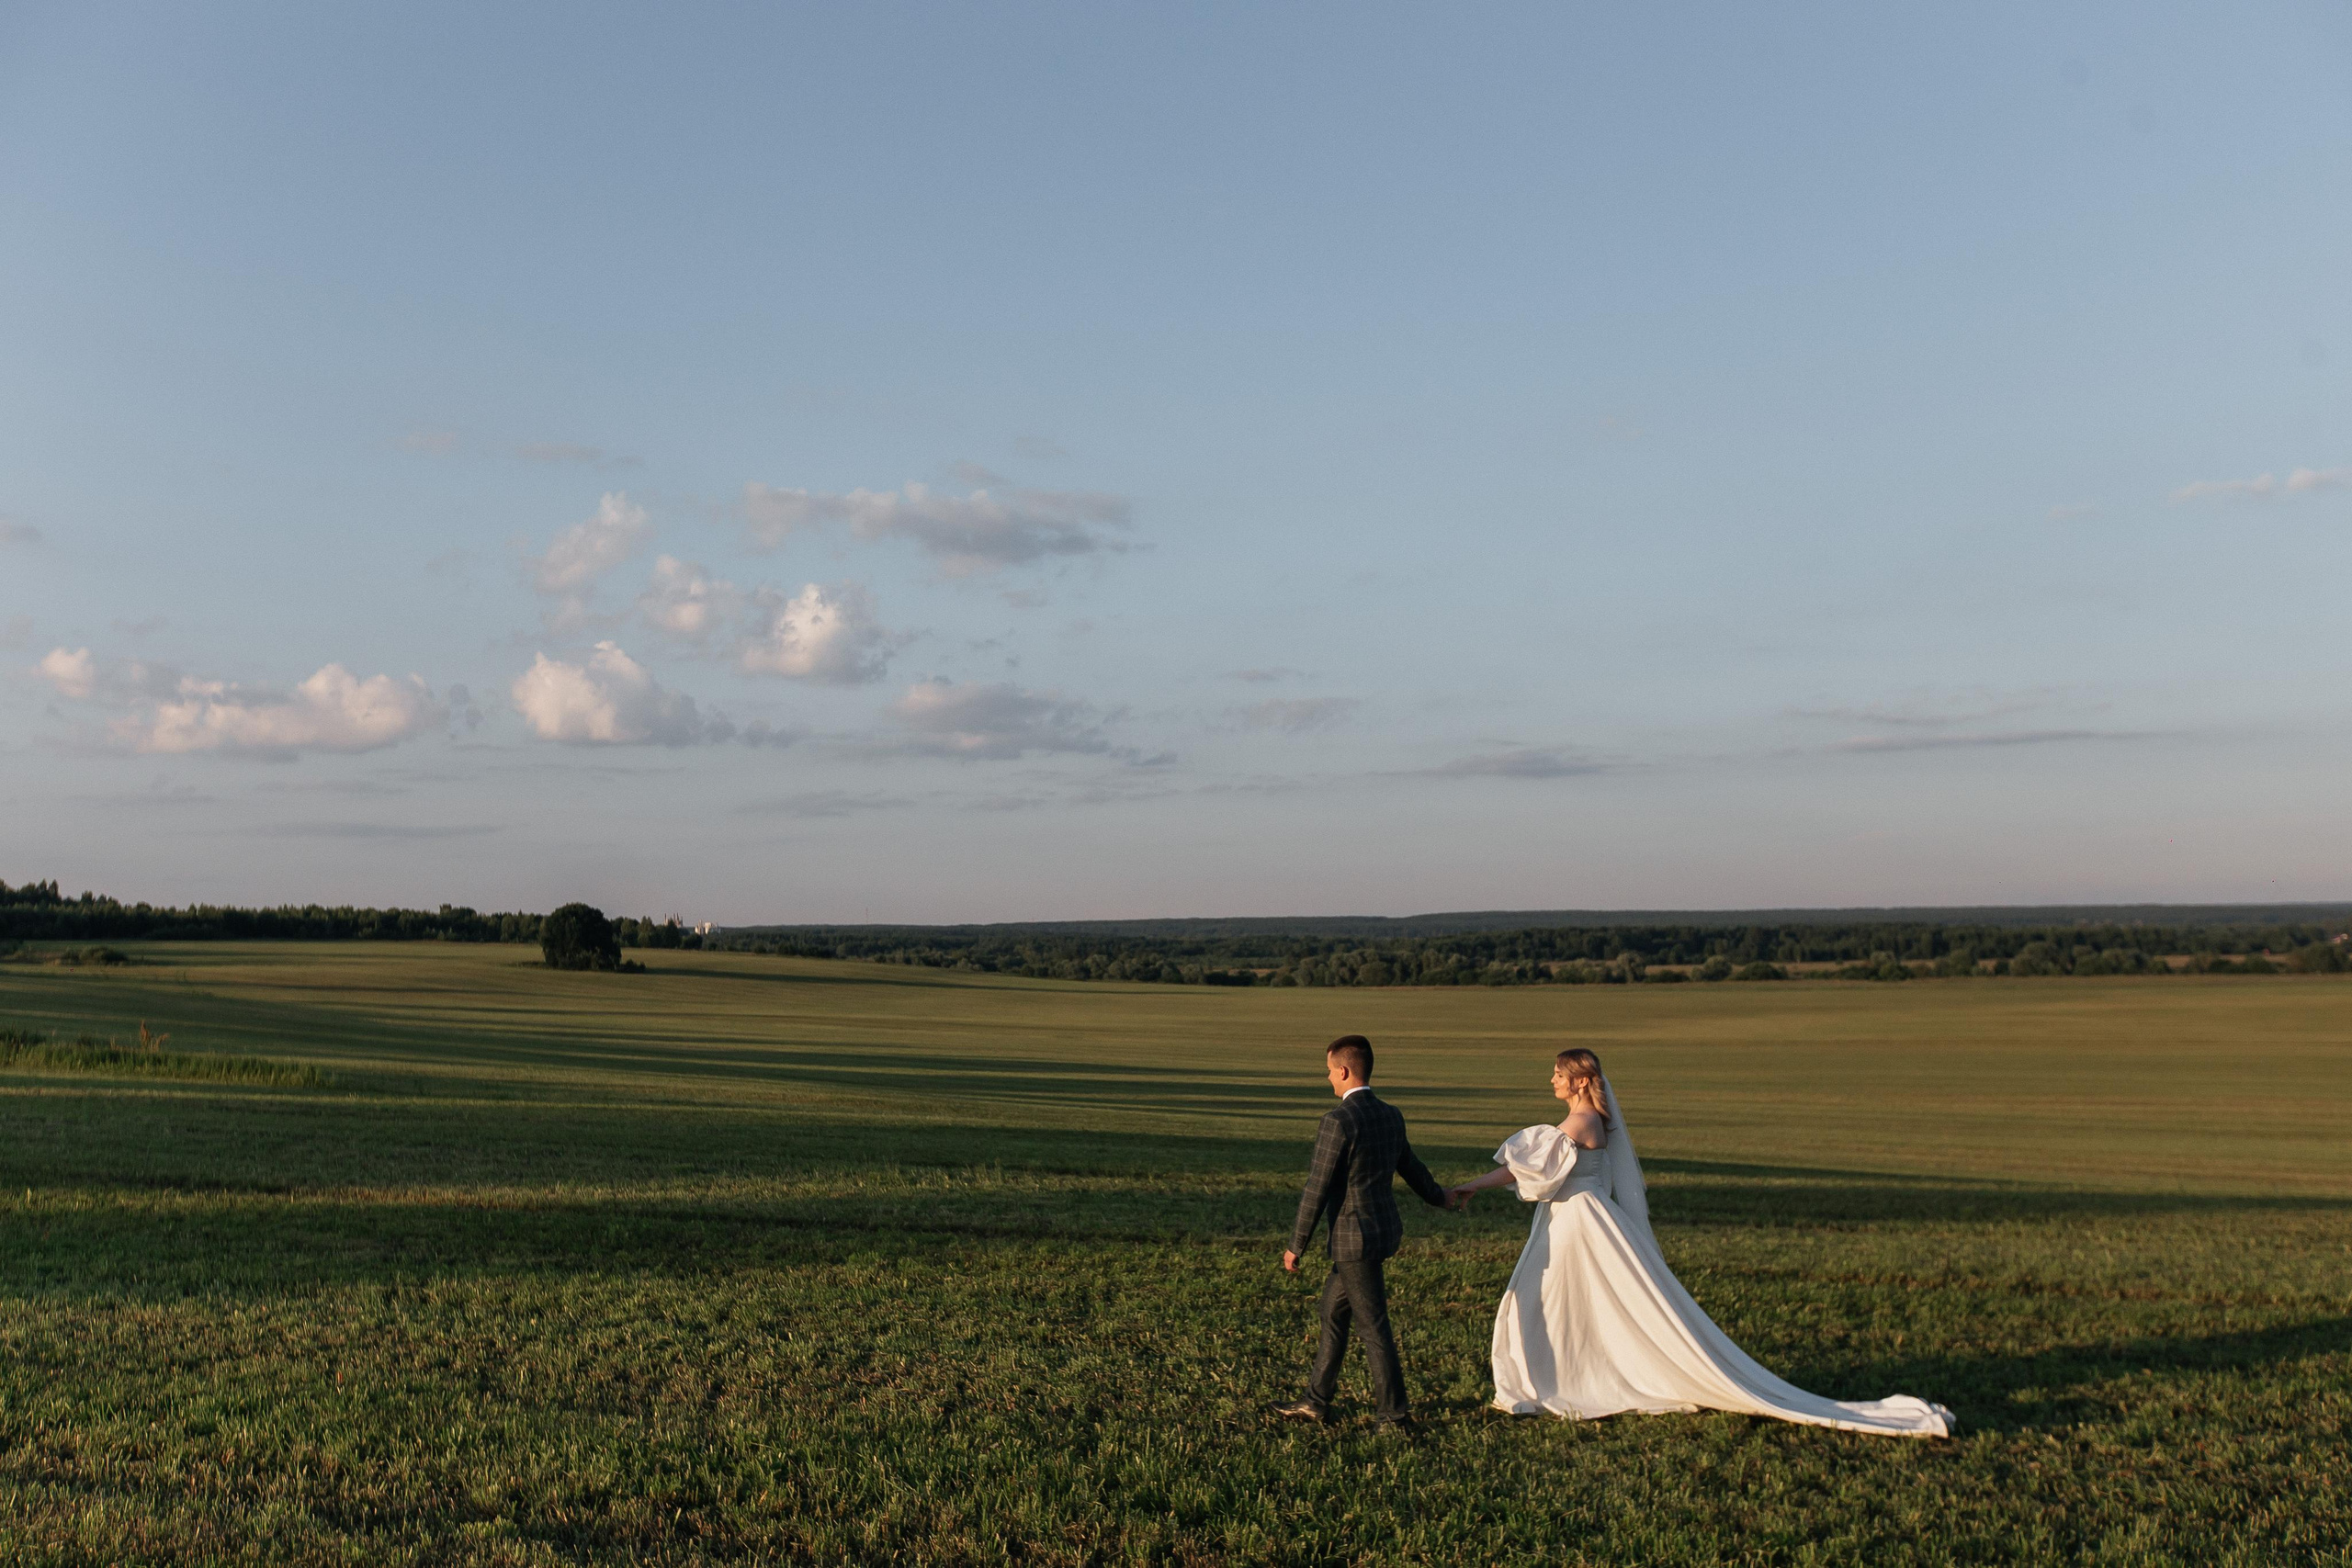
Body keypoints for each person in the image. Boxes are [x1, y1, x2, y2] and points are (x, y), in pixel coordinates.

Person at [1448, 1048, 1952, 1438]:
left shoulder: (1579, 1122)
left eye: (1558, 1074)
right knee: (1568, 1305)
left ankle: (1568, 1378)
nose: (1552, 1081)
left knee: (1551, 1303)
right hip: (1580, 1218)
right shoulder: (1593, 1121)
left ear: (1579, 1080)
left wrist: (1471, 1185)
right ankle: (1568, 1373)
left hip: (1580, 1224)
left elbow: (1524, 1168)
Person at [1272, 1034, 1454, 1428]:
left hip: (1353, 1241)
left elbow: (1316, 1187)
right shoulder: (1391, 1114)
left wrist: (1295, 1246)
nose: (1327, 1079)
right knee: (1332, 1312)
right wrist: (1441, 1197)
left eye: (1328, 1071)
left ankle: (1395, 1415)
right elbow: (1412, 1168)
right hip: (1379, 1232)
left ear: (1343, 1070)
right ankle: (1315, 1401)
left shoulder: (1337, 1121)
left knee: (1373, 1328)